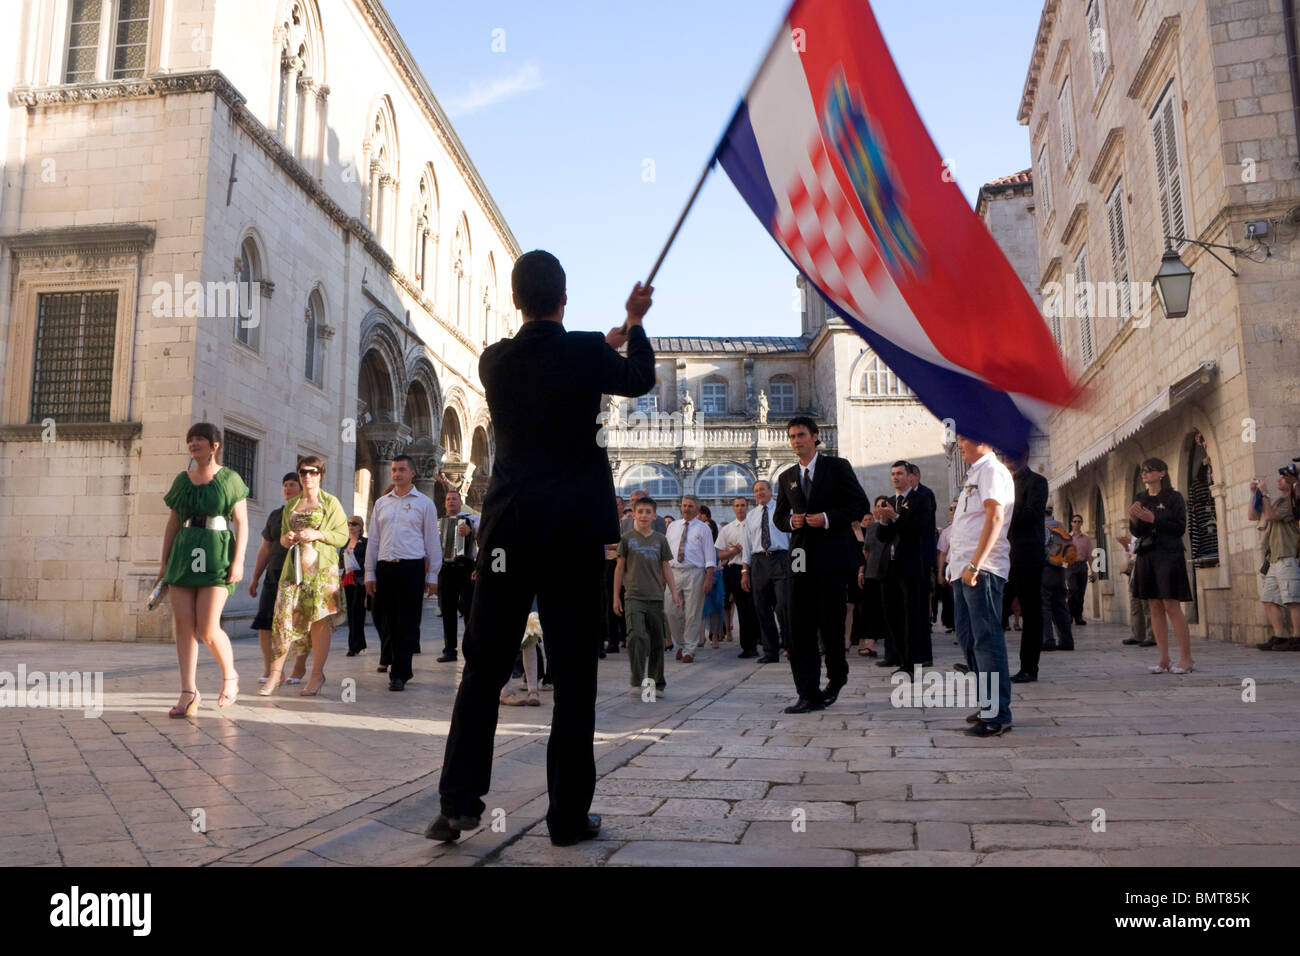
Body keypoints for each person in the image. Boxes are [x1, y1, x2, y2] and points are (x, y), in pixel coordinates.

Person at [428, 253, 655, 848]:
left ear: (514, 300)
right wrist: (635, 325)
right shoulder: (585, 353)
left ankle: (457, 804)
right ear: (565, 298)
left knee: (481, 669)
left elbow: (552, 365)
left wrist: (598, 346)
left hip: (509, 529)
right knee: (576, 676)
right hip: (574, 533)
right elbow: (637, 379)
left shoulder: (494, 361)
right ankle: (567, 818)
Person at [773, 416, 869, 713]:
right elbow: (778, 517)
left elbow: (860, 506)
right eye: (791, 436)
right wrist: (792, 521)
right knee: (799, 625)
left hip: (832, 555)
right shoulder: (787, 476)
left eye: (801, 435)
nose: (796, 441)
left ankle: (837, 677)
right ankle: (807, 692)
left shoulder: (837, 468)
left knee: (830, 623)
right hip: (800, 556)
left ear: (815, 437)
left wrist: (826, 518)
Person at [158, 423, 249, 715]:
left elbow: (242, 523)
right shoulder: (182, 481)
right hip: (184, 554)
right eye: (191, 440)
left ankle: (230, 677)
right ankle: (188, 692)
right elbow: (173, 522)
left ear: (214, 445)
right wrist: (163, 562)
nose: (194, 444)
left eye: (200, 439)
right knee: (183, 627)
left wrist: (239, 561)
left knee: (208, 628)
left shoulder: (230, 479)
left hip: (217, 552)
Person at [259, 457, 348, 697]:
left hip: (322, 571)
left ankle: (316, 674)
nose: (307, 476)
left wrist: (317, 534)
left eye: (313, 472)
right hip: (293, 570)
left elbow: (342, 536)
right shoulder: (292, 504)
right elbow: (280, 538)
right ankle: (275, 673)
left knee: (319, 622)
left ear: (321, 475)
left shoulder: (331, 503)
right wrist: (286, 539)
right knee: (282, 619)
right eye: (303, 472)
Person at [947, 435, 1016, 736]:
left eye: (964, 439)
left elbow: (995, 516)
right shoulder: (974, 474)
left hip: (981, 569)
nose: (959, 444)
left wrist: (976, 563)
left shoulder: (991, 470)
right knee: (968, 638)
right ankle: (988, 701)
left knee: (986, 641)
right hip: (962, 569)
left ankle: (998, 712)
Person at [365, 455, 441, 691]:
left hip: (412, 567)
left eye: (401, 470)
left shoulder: (424, 503)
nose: (396, 474)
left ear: (412, 473)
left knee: (407, 621)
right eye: (394, 470)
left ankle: (400, 672)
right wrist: (369, 572)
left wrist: (433, 576)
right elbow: (374, 540)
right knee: (387, 620)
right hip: (386, 567)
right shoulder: (381, 503)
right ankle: (395, 663)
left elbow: (432, 541)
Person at [1130, 458, 1195, 674]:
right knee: (1154, 606)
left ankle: (1186, 659)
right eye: (1143, 472)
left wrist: (1153, 519)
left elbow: (1179, 528)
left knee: (1171, 604)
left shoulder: (1174, 498)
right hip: (1147, 555)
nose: (1145, 475)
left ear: (1162, 473)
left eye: (1149, 471)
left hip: (1169, 554)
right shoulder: (1140, 498)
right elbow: (1137, 532)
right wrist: (1135, 519)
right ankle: (1163, 659)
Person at [614, 496, 678, 696]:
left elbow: (666, 567)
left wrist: (674, 593)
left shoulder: (660, 540)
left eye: (647, 512)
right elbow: (619, 568)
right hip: (633, 596)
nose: (643, 515)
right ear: (633, 513)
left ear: (654, 515)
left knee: (658, 641)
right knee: (637, 636)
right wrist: (616, 596)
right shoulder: (626, 539)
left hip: (656, 597)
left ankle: (655, 685)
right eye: (640, 511)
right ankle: (636, 679)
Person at [874, 461, 929, 675]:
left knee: (910, 615)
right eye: (893, 474)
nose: (895, 477)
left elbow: (916, 530)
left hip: (910, 565)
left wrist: (895, 517)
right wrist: (884, 521)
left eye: (899, 474)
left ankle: (912, 662)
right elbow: (882, 537)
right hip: (890, 566)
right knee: (892, 614)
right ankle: (900, 658)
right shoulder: (889, 501)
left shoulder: (920, 500)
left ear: (910, 476)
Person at [249, 472, 302, 679]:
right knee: (265, 621)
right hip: (274, 574)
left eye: (292, 485)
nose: (287, 489)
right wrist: (255, 577)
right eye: (285, 485)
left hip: (298, 575)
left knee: (296, 623)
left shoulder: (308, 513)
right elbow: (265, 548)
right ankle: (271, 669)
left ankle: (298, 667)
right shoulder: (275, 515)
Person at [1002, 452, 1048, 683]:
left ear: (1025, 455)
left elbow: (1030, 515)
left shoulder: (1037, 482)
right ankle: (990, 667)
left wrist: (1000, 515)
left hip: (1026, 556)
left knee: (1031, 612)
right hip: (1000, 557)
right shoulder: (999, 482)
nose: (1009, 457)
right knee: (996, 613)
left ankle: (1029, 667)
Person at [1248, 464, 1300, 649]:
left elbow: (1270, 516)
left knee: (1293, 599)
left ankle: (1297, 637)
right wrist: (1254, 493)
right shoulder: (1278, 501)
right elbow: (1253, 516)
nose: (1279, 479)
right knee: (1268, 599)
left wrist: (1265, 494)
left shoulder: (1290, 503)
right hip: (1274, 559)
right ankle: (1281, 635)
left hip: (1288, 556)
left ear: (1293, 482)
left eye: (1284, 477)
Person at [741, 479, 792, 665]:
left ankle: (790, 646)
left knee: (784, 605)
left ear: (771, 491)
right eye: (756, 491)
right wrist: (745, 570)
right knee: (762, 608)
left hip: (781, 559)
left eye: (762, 489)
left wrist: (799, 566)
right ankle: (770, 652)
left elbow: (794, 539)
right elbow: (746, 545)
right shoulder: (751, 516)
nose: (759, 493)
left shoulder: (783, 511)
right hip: (759, 562)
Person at [664, 495, 717, 662]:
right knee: (670, 610)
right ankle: (680, 643)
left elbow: (710, 555)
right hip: (673, 572)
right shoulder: (672, 526)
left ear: (697, 509)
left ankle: (689, 650)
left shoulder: (703, 529)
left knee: (693, 613)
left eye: (690, 506)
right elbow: (665, 554)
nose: (686, 509)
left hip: (695, 572)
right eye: (684, 505)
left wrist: (709, 578)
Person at [435, 487, 479, 663]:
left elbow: (484, 536)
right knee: (447, 610)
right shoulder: (439, 522)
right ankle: (449, 650)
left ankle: (471, 649)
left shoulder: (472, 520)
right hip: (446, 568)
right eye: (448, 499)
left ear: (461, 502)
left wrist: (471, 533)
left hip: (466, 567)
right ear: (445, 503)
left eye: (454, 499)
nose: (451, 502)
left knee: (469, 609)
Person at [717, 496, 758, 658]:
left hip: (754, 568)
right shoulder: (727, 530)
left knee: (755, 606)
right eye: (737, 506)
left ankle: (758, 641)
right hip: (735, 569)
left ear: (747, 507)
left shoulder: (754, 525)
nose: (740, 508)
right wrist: (733, 552)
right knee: (741, 608)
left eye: (743, 505)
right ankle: (747, 646)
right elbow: (720, 554)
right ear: (733, 508)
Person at [906, 463, 938, 662]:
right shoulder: (904, 497)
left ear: (915, 476)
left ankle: (925, 653)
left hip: (922, 556)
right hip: (907, 558)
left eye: (904, 475)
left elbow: (920, 522)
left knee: (921, 606)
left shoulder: (925, 494)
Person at [856, 499, 892, 657]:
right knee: (870, 609)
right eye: (877, 507)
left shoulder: (892, 526)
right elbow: (866, 551)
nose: (879, 509)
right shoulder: (871, 528)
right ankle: (869, 643)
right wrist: (861, 572)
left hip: (888, 573)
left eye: (882, 506)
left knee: (885, 609)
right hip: (870, 572)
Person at [1041, 504, 1074, 652]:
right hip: (1060, 571)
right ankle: (1067, 641)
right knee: (1061, 607)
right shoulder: (1060, 527)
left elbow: (1040, 549)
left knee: (1045, 607)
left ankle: (1048, 640)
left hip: (1045, 570)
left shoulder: (1042, 528)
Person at [1116, 532, 1156, 647]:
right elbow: (1130, 556)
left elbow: (1145, 550)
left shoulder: (1149, 533)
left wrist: (1130, 544)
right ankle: (1137, 635)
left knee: (1147, 606)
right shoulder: (1134, 535)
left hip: (1145, 571)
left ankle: (1152, 637)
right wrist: (1125, 546)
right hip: (1134, 573)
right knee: (1135, 606)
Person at [698, 505, 726, 649]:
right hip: (701, 577)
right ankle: (701, 637)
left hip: (716, 577)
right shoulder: (698, 545)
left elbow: (725, 554)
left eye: (709, 526)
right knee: (702, 608)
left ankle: (715, 636)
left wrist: (721, 565)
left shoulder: (717, 544)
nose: (707, 528)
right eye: (705, 526)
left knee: (716, 608)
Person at [340, 515, 369, 656]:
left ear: (360, 526)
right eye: (349, 523)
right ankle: (358, 643)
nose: (351, 526)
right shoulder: (345, 542)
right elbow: (340, 561)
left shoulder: (365, 542)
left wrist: (354, 558)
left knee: (358, 612)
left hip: (359, 580)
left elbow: (367, 560)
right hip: (347, 579)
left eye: (354, 524)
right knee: (351, 613)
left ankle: (354, 646)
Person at [1067, 514, 1095, 626]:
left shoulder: (1086, 539)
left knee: (1080, 593)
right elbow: (1062, 554)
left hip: (1082, 566)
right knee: (1073, 590)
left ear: (1081, 523)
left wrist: (1093, 571)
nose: (1077, 523)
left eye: (1079, 521)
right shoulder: (1067, 538)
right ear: (1071, 523)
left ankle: (1078, 616)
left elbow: (1090, 556)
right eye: (1075, 521)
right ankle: (1069, 614)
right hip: (1070, 567)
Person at [934, 500, 957, 633]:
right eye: (951, 509)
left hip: (967, 566)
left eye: (956, 508)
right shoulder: (947, 532)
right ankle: (953, 624)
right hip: (950, 566)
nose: (953, 511)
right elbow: (942, 553)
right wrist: (940, 573)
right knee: (951, 599)